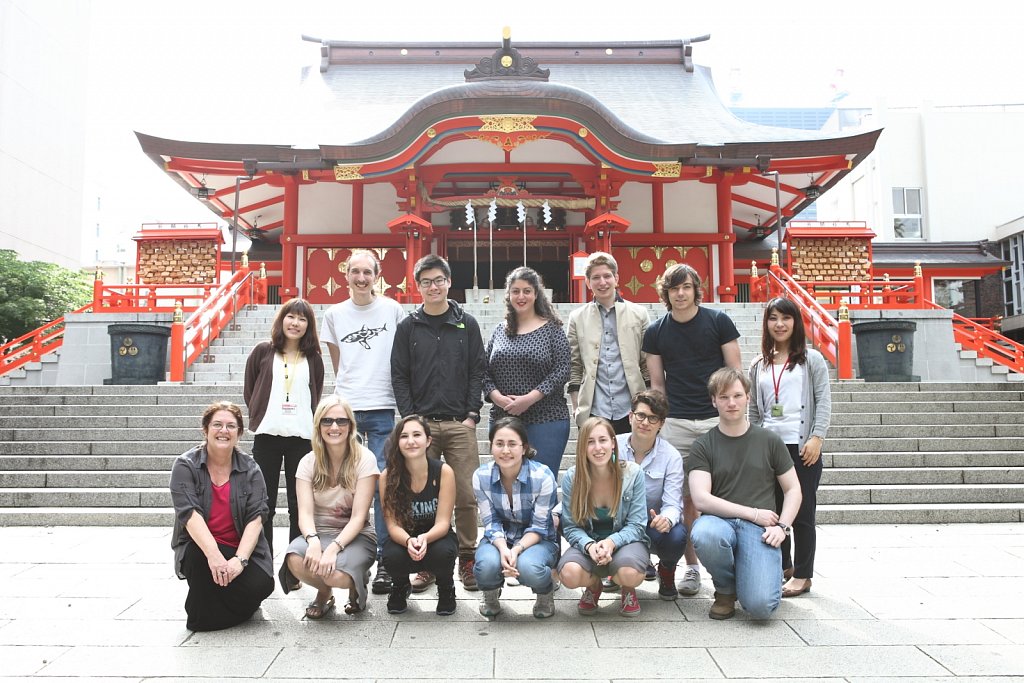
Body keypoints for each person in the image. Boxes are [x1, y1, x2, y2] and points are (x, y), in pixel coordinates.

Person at [643, 262, 741, 597]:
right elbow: (657, 383)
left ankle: (733, 566)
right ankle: (692, 568)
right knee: (684, 497)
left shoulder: (718, 321)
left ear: (696, 288)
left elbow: (735, 372)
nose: (681, 294)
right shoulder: (656, 331)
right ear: (666, 293)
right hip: (678, 421)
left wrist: (735, 415)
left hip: (717, 419)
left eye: (686, 287)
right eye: (674, 288)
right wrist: (660, 422)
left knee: (728, 492)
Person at [391, 254, 486, 592]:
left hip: (460, 423)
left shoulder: (467, 323)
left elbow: (478, 370)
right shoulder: (408, 326)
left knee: (465, 493)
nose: (433, 287)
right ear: (418, 286)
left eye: (439, 280)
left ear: (448, 282)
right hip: (422, 426)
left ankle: (467, 556)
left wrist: (472, 415)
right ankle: (426, 560)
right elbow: (399, 376)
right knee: (421, 496)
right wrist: (411, 419)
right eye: (426, 281)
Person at [320, 249, 406, 595]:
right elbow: (338, 361)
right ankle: (352, 556)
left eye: (367, 272)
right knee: (348, 487)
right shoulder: (334, 314)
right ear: (346, 275)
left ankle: (385, 559)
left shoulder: (392, 309)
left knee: (384, 486)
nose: (361, 278)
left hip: (383, 404)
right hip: (347, 410)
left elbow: (400, 354)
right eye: (354, 271)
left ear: (377, 274)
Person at [688, 367, 801, 620]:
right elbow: (701, 499)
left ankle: (751, 575)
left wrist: (782, 527)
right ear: (713, 400)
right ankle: (726, 589)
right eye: (724, 397)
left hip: (759, 530)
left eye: (737, 395)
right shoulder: (703, 445)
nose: (731, 403)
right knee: (704, 533)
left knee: (760, 609)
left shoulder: (769, 440)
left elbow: (793, 489)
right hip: (719, 522)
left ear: (748, 397)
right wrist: (753, 513)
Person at [748, 296, 831, 598]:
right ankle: (784, 566)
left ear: (796, 322)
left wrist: (817, 437)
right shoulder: (759, 364)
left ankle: (804, 574)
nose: (779, 324)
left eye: (786, 318)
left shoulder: (812, 360)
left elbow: (823, 400)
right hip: (770, 448)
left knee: (803, 512)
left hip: (802, 447)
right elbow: (755, 412)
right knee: (773, 511)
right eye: (773, 318)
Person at [169, 401, 274, 631]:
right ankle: (208, 612)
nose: (223, 431)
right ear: (205, 430)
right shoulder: (185, 465)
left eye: (231, 426)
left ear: (239, 434)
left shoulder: (251, 469)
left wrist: (240, 560)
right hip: (203, 547)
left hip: (240, 548)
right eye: (217, 424)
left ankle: (215, 604)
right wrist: (214, 556)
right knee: (199, 561)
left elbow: (256, 518)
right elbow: (190, 515)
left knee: (262, 585)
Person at [280, 395, 379, 618]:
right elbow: (304, 513)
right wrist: (313, 541)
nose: (334, 427)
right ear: (318, 426)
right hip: (320, 532)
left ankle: (356, 580)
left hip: (356, 536)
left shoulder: (365, 459)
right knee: (294, 560)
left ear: (351, 426)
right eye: (327, 421)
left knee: (336, 574)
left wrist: (333, 549)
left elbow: (358, 517)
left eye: (341, 421)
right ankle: (324, 594)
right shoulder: (307, 462)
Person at [243, 298, 325, 562]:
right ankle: (263, 559)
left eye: (302, 319)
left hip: (301, 439)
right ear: (282, 319)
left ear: (308, 326)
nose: (296, 323)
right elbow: (250, 389)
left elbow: (316, 393)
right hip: (267, 435)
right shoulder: (263, 351)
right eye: (291, 316)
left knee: (298, 504)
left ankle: (294, 561)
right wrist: (258, 413)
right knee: (263, 502)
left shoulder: (313, 359)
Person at [557, 417, 649, 617]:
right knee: (569, 574)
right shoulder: (573, 478)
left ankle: (627, 588)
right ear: (582, 447)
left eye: (603, 440)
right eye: (590, 442)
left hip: (626, 542)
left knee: (629, 573)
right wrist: (590, 546)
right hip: (588, 542)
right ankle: (594, 585)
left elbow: (637, 525)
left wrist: (611, 542)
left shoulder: (633, 473)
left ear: (613, 443)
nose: (598, 448)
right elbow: (571, 527)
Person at [483, 266, 570, 476]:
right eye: (515, 291)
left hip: (547, 418)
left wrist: (529, 398)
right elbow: (483, 371)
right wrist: (498, 398)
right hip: (504, 418)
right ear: (508, 295)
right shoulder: (499, 330)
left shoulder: (552, 329)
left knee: (542, 482)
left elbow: (563, 368)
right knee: (505, 483)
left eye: (527, 291)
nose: (521, 296)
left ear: (536, 294)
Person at [473, 417, 560, 619]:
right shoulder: (481, 476)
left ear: (524, 448)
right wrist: (504, 549)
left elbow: (539, 527)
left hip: (538, 540)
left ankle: (545, 592)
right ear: (491, 446)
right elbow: (490, 522)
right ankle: (490, 593)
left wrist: (517, 550)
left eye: (512, 444)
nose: (505, 451)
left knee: (529, 567)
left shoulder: (542, 476)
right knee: (486, 565)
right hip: (499, 537)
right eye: (499, 444)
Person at [379, 415, 458, 615]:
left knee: (444, 553)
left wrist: (424, 538)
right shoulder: (387, 476)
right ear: (397, 442)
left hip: (436, 536)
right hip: (403, 539)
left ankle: (446, 588)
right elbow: (392, 525)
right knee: (390, 556)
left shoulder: (444, 472)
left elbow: (443, 522)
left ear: (428, 441)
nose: (411, 441)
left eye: (417, 435)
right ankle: (400, 586)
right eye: (404, 436)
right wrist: (408, 541)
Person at [567, 251, 650, 434]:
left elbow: (646, 362)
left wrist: (649, 403)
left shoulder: (639, 314)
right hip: (595, 408)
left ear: (616, 278)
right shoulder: (577, 318)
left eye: (607, 276)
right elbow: (575, 365)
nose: (602, 282)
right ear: (588, 282)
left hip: (632, 407)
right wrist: (576, 406)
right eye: (595, 277)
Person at [616, 389, 686, 600]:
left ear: (661, 424)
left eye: (653, 418)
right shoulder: (612, 446)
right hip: (615, 523)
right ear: (630, 417)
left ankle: (666, 569)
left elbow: (673, 503)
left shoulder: (671, 456)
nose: (645, 422)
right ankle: (610, 569)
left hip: (650, 524)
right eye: (641, 415)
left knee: (677, 535)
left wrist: (667, 518)